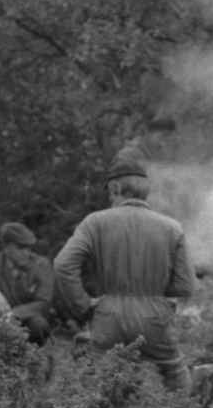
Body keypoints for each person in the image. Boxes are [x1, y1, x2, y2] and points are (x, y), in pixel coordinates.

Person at [54, 143, 197, 393]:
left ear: (117, 187)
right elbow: (186, 285)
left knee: (103, 381)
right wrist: (158, 295)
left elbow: (63, 265)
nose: (110, 198)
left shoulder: (94, 223)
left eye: (110, 192)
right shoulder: (172, 227)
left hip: (108, 314)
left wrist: (83, 306)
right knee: (174, 372)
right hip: (154, 314)